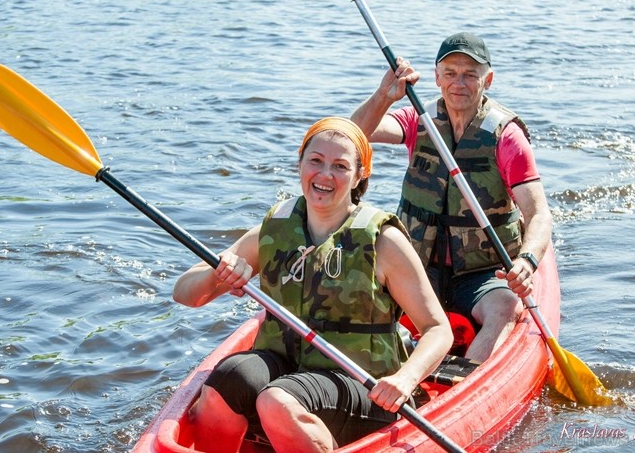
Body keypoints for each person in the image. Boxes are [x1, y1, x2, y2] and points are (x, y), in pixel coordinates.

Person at [173, 117, 452, 453]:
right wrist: (219, 273)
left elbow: (438, 329)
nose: (325, 175)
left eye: (340, 166)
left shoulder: (384, 242)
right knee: (226, 380)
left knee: (277, 400)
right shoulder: (274, 230)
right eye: (316, 161)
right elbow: (185, 293)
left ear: (360, 175)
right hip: (288, 369)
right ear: (300, 163)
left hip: (362, 385)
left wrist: (405, 380)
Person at [350, 32, 553, 363]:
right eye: (450, 73)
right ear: (436, 77)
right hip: (419, 265)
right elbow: (352, 135)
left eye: (470, 74)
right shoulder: (419, 119)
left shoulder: (507, 137)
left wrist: (527, 261)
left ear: (487, 79)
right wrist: (385, 96)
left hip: (481, 272)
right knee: (358, 288)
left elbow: (539, 214)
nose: (459, 83)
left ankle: (466, 383)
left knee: (505, 307)